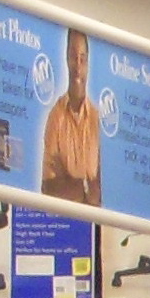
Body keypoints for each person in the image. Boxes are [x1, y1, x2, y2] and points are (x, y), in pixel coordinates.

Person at [41, 29, 102, 205]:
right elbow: (48, 186)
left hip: (98, 224)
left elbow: (104, 188)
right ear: (66, 60)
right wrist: (85, 185)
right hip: (64, 222)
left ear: (88, 64)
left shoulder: (97, 120)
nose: (78, 66)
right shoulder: (55, 116)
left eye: (83, 59)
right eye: (73, 57)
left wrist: (70, 181)